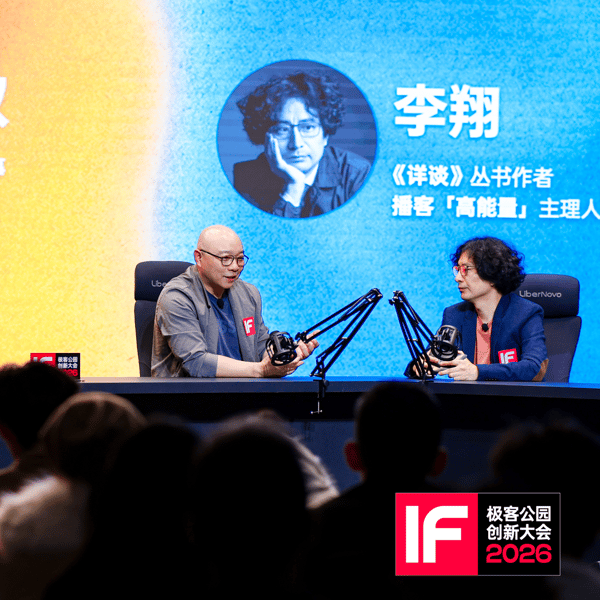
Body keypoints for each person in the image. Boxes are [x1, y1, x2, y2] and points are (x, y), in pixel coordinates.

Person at [151, 225, 317, 377]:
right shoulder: (177, 297)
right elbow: (196, 363)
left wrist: (282, 357)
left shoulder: (249, 294)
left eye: (240, 259)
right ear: (199, 257)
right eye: (225, 258)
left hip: (244, 393)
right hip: (190, 396)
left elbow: (260, 347)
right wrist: (261, 370)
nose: (235, 267)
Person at [234, 72, 371, 218]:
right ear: (265, 137)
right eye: (282, 129)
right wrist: (294, 187)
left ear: (326, 135)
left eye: (308, 128)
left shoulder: (355, 173)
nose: (296, 144)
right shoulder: (248, 177)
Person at [429, 236, 548, 381]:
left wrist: (478, 372)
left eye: (465, 269)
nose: (457, 278)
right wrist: (422, 365)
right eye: (458, 269)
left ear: (492, 275)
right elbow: (435, 355)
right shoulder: (454, 314)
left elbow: (533, 367)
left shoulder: (526, 313)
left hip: (511, 395)